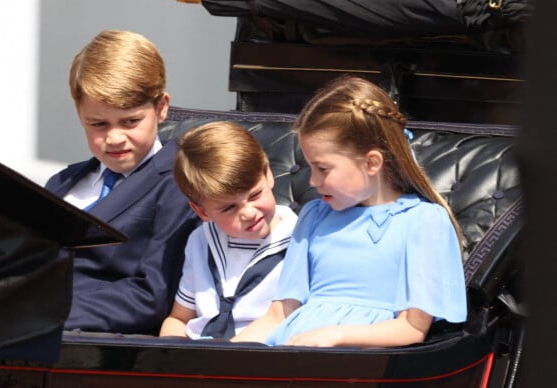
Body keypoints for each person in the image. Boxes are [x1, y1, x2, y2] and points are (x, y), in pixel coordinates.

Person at [232, 75, 467, 347]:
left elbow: (412, 328)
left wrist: (337, 335)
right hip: (292, 354)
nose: (313, 181)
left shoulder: (423, 221)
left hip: (358, 365)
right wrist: (224, 354)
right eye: (311, 168)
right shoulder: (314, 216)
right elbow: (277, 316)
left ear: (371, 163)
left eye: (323, 169)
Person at [45, 30, 200, 334]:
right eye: (98, 124)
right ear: (80, 115)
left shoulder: (180, 182)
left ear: (161, 108)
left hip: (87, 341)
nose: (115, 138)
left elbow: (151, 295)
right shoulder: (61, 182)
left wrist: (42, 311)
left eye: (130, 122)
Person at [159, 121, 298, 339]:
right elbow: (180, 318)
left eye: (254, 195)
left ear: (268, 174)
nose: (248, 213)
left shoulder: (300, 240)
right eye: (229, 208)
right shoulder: (200, 240)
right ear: (202, 211)